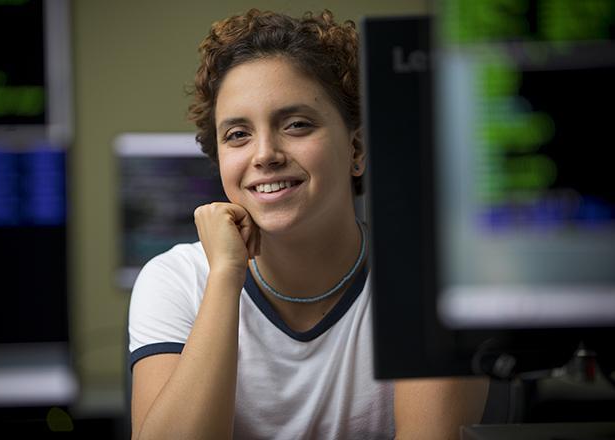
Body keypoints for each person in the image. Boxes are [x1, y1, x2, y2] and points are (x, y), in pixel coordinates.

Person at [128, 8, 489, 439]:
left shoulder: (428, 278)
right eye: (238, 134)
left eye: (297, 124)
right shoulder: (177, 280)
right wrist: (225, 276)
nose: (265, 154)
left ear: (356, 149)